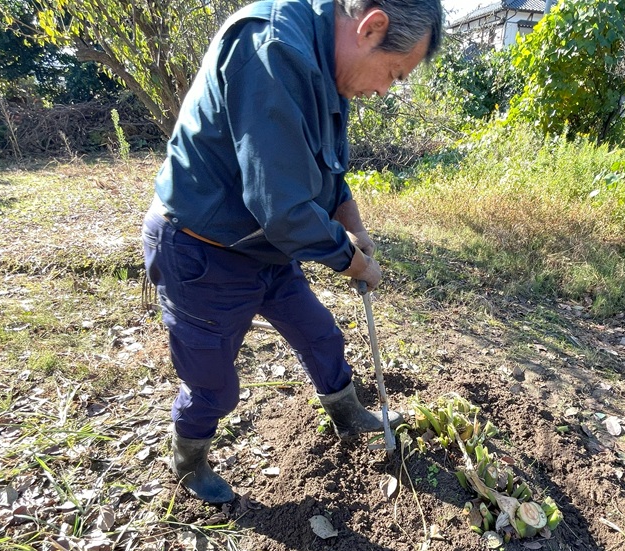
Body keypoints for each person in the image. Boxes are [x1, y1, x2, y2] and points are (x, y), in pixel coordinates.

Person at [142, 0, 444, 503]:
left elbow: (329, 174)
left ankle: (348, 414)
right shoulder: (271, 49)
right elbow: (281, 205)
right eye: (393, 72)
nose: (385, 88)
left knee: (320, 333)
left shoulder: (330, 71)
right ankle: (189, 460)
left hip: (265, 248)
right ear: (372, 28)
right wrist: (353, 261)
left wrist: (357, 229)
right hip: (203, 249)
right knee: (212, 380)